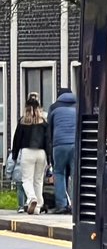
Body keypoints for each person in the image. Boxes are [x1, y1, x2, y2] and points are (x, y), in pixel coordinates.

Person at [13, 94, 51, 215]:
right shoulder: (44, 123)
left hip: (27, 152)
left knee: (26, 179)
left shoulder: (23, 122)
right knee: (38, 180)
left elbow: (16, 140)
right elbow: (48, 141)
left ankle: (31, 198)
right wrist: (49, 158)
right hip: (41, 153)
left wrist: (14, 155)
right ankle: (37, 208)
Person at [46, 87, 77, 215]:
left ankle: (62, 205)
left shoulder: (54, 107)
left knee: (59, 173)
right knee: (76, 175)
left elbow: (49, 131)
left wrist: (49, 152)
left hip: (59, 145)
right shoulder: (78, 106)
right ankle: (76, 205)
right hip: (75, 144)